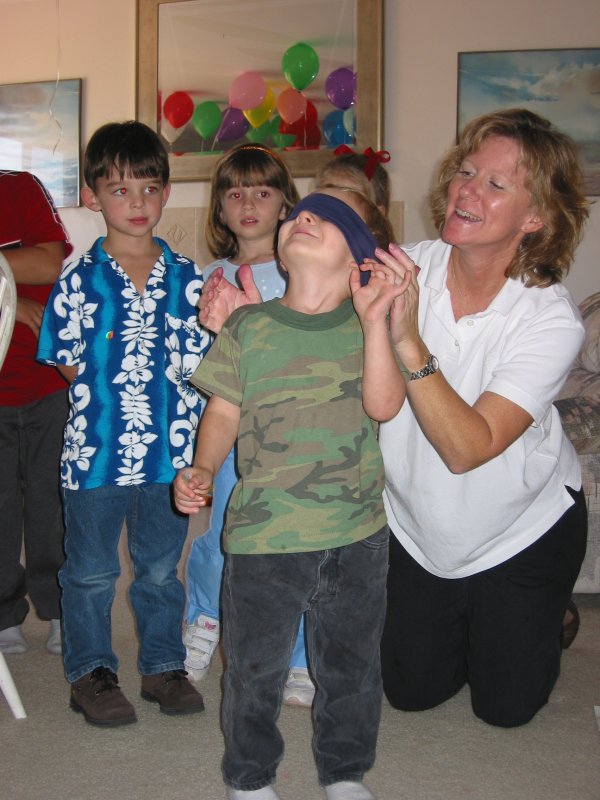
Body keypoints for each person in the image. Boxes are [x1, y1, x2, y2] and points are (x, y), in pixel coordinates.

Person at [174, 189, 409, 800]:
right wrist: (203, 466)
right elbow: (223, 410)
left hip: (357, 536)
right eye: (300, 214)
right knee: (254, 670)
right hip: (265, 536)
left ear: (358, 259)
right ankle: (250, 778)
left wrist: (376, 320)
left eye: (327, 220)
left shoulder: (368, 325)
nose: (304, 218)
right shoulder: (249, 325)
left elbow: (385, 404)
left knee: (352, 668)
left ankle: (346, 772)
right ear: (281, 251)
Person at [377, 108, 590, 728]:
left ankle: (551, 612)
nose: (467, 190)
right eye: (466, 172)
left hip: (521, 526)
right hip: (417, 527)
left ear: (536, 217)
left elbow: (468, 448)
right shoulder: (404, 267)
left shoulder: (550, 318)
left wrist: (408, 340)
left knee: (505, 709)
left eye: (496, 184)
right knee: (410, 692)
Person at [36, 121, 210, 726]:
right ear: (93, 196)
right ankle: (91, 672)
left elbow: (202, 360)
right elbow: (65, 358)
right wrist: (111, 391)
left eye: (149, 188)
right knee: (90, 572)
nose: (137, 203)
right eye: (119, 189)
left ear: (166, 194)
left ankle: (163, 665)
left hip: (168, 458)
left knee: (161, 570)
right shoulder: (78, 278)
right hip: (96, 456)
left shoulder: (189, 277)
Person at [183, 144, 299, 685]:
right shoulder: (210, 276)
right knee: (224, 533)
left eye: (262, 192)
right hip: (231, 432)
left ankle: (297, 653)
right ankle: (205, 617)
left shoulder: (304, 271)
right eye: (234, 194)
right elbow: (200, 361)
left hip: (292, 434)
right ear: (220, 209)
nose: (248, 204)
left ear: (285, 203)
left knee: (295, 542)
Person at [0, 169, 72, 656]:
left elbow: (48, 262)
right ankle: (4, 613)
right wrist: (12, 292)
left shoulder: (19, 186)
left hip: (47, 383)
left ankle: (60, 607)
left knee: (52, 504)